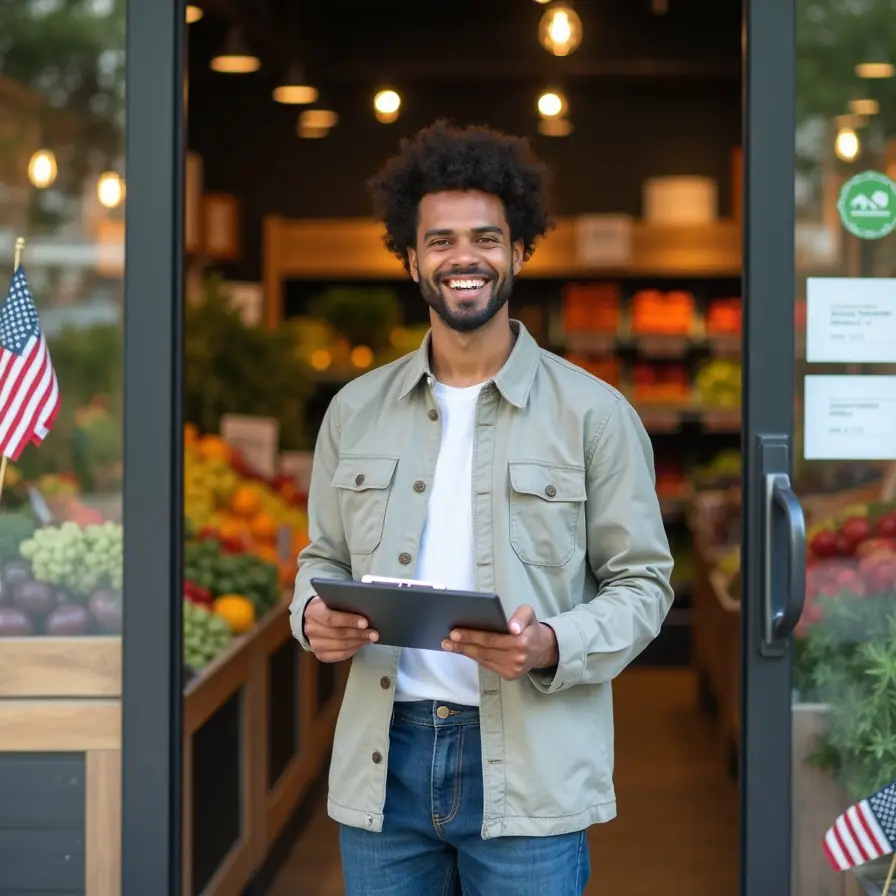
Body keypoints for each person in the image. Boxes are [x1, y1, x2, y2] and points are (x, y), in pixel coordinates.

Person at [291, 120, 674, 896]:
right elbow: (321, 560)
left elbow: (644, 583)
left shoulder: (594, 414)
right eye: (439, 241)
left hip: (531, 768)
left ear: (521, 250)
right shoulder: (355, 412)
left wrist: (553, 645)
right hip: (383, 761)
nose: (463, 258)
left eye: (486, 238)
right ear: (409, 258)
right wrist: (311, 616)